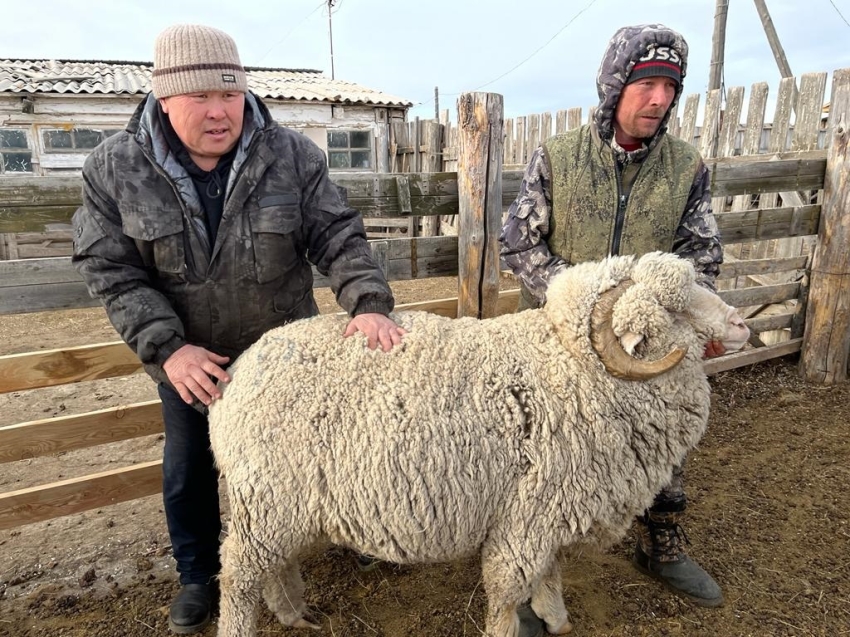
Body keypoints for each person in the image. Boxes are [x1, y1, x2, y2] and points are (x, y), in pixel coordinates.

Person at [72, 24, 404, 635]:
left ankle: (332, 541)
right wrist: (168, 350)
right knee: (190, 466)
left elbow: (337, 234)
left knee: (322, 455)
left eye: (230, 94)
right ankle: (200, 574)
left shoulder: (292, 155)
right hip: (192, 359)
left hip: (283, 357)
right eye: (201, 97)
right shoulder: (115, 168)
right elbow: (110, 268)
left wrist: (368, 302)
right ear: (164, 98)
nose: (220, 111)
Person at [500, 23, 725, 634]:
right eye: (646, 83)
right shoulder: (559, 156)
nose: (658, 99)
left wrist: (684, 315)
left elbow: (701, 253)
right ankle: (527, 577)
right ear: (615, 84)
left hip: (649, 342)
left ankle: (662, 544)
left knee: (660, 441)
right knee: (541, 460)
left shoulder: (687, 167)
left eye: (669, 87)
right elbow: (519, 241)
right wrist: (583, 310)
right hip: (559, 345)